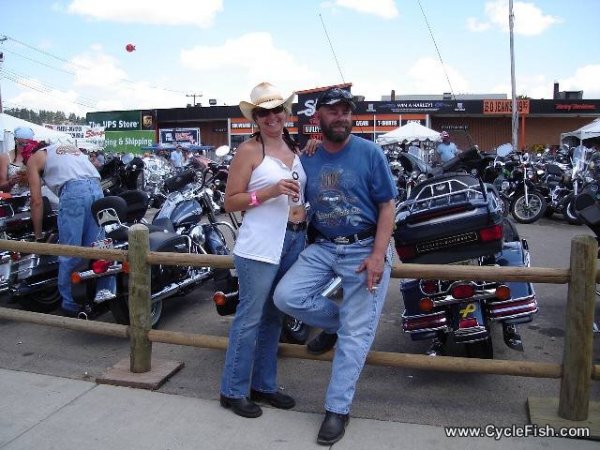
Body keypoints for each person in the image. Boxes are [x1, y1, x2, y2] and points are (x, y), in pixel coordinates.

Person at [274, 87, 397, 445]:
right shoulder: (308, 156)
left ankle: (337, 409)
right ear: (319, 117)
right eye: (332, 111)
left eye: (345, 111)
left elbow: (388, 205)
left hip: (364, 249)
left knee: (356, 337)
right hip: (325, 246)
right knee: (286, 297)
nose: (340, 116)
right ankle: (341, 324)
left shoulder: (370, 152)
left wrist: (377, 256)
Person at [219, 82, 307, 419]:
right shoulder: (249, 151)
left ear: (285, 113)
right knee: (250, 318)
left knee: (274, 317)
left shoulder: (293, 146)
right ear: (255, 118)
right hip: (259, 245)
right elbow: (231, 201)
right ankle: (233, 390)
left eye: (276, 110)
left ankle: (264, 385)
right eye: (263, 112)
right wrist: (268, 192)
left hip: (293, 238)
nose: (271, 116)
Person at [25, 141, 116, 317]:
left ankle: (70, 306)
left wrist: (38, 236)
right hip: (97, 189)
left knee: (69, 251)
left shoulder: (33, 160)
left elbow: (36, 201)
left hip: (74, 192)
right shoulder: (64, 148)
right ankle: (102, 295)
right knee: (98, 248)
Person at [0, 127, 32, 194]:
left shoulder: (35, 157)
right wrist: (10, 182)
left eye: (28, 144)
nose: (25, 146)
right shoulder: (5, 157)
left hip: (32, 198)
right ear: (15, 140)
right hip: (14, 200)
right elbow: (1, 186)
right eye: (21, 144)